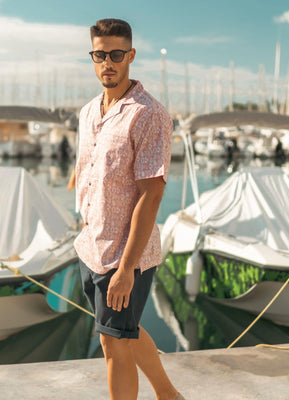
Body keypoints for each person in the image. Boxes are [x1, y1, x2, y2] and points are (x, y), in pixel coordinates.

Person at [74, 18, 185, 400]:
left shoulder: (149, 114)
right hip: (91, 247)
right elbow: (88, 171)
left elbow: (151, 196)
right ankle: (169, 395)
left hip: (125, 258)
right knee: (126, 330)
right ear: (93, 57)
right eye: (100, 54)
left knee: (113, 346)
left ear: (130, 56)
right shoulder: (89, 112)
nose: (108, 62)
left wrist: (125, 270)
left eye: (116, 54)